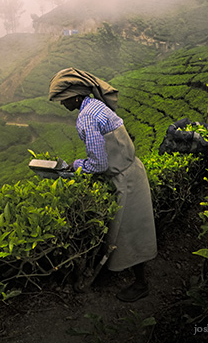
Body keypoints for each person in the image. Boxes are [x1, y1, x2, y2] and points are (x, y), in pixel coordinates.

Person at [49, 67, 157, 302]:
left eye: (62, 99)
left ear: (75, 95)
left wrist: (75, 166)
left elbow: (98, 164)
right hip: (133, 170)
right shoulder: (96, 105)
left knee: (127, 234)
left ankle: (141, 284)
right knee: (138, 229)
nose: (61, 104)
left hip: (123, 181)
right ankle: (137, 278)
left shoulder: (86, 117)